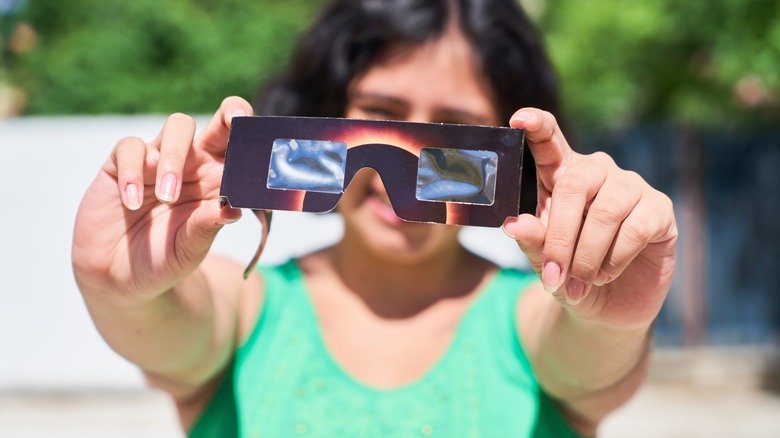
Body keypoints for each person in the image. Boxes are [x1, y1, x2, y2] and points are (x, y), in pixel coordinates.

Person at [72, 0, 677, 436]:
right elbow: (169, 327)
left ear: (509, 156)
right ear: (324, 115)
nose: (405, 170)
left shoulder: (538, 314)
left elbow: (592, 359)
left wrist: (612, 314)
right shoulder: (249, 307)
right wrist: (120, 290)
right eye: (379, 117)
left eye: (447, 136)